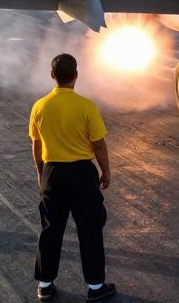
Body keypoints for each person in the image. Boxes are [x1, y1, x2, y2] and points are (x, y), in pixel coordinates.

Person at [29, 54, 115, 301]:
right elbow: (98, 145)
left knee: (51, 228)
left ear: (52, 75)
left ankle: (45, 284)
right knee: (89, 228)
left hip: (52, 173)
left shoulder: (40, 106)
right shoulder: (86, 106)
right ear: (76, 75)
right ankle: (96, 287)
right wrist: (106, 171)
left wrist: (40, 171)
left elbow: (36, 144)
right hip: (81, 174)